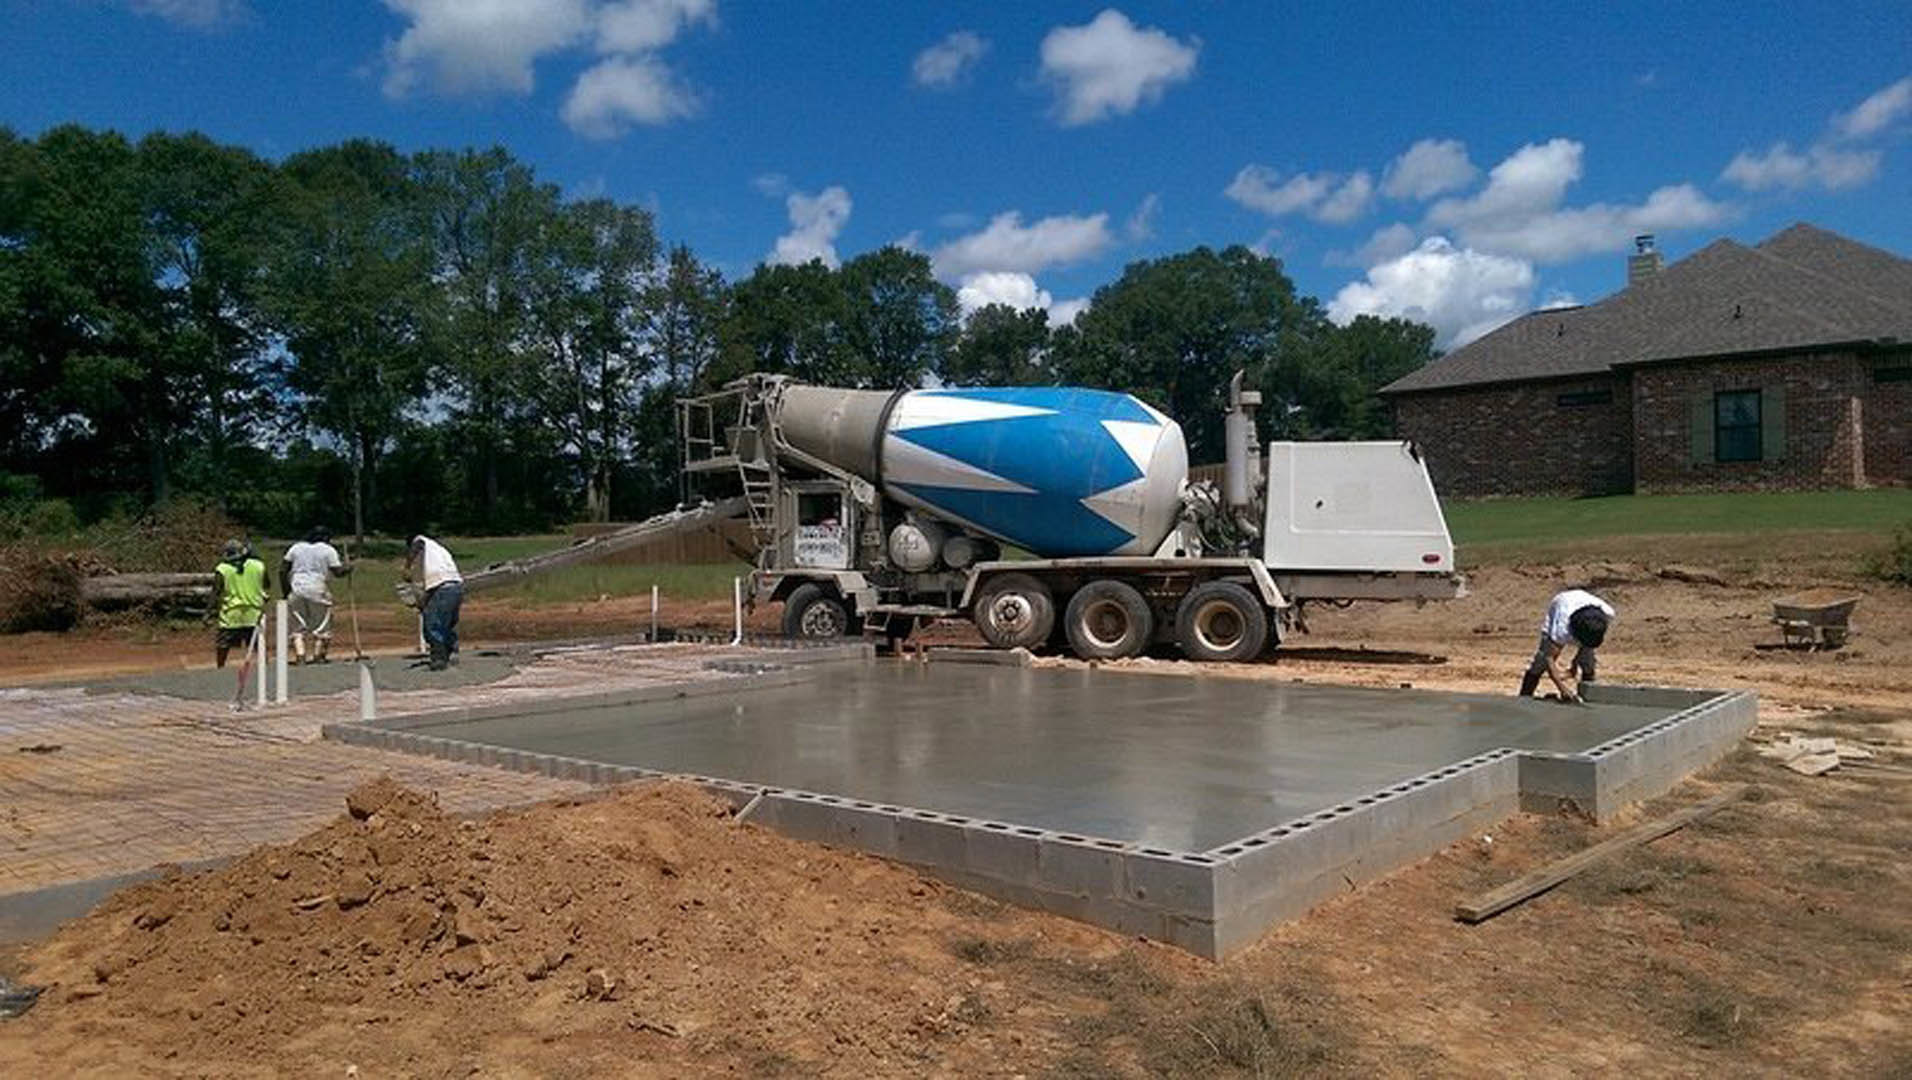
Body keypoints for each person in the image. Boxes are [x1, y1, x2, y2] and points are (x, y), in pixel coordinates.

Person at [1519, 587, 1615, 703]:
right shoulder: (1562, 627)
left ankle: (1588, 697)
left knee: (1587, 662)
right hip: (1561, 603)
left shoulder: (1607, 614)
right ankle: (1524, 698)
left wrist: (1575, 664)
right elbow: (1549, 658)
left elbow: (1588, 643)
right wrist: (1562, 688)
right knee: (1540, 662)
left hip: (1583, 609)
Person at [211, 538, 269, 711]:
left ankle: (220, 670)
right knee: (259, 647)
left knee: (223, 646)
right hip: (254, 612)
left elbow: (216, 592)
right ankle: (264, 673)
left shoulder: (222, 569)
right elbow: (267, 585)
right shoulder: (258, 566)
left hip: (231, 615)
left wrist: (208, 612)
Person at [281, 526, 351, 665]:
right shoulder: (327, 550)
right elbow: (337, 572)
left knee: (297, 625)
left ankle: (300, 655)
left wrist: (286, 591)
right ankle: (319, 655)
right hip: (317, 588)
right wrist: (348, 568)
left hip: (297, 589)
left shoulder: (296, 548)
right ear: (326, 538)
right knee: (322, 623)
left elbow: (283, 570)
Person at [406, 534, 463, 671]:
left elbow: (417, 543)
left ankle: (439, 658)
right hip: (456, 586)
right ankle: (450, 651)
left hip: (442, 587)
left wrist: (407, 566)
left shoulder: (421, 541)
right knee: (447, 622)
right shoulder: (439, 550)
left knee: (433, 624)